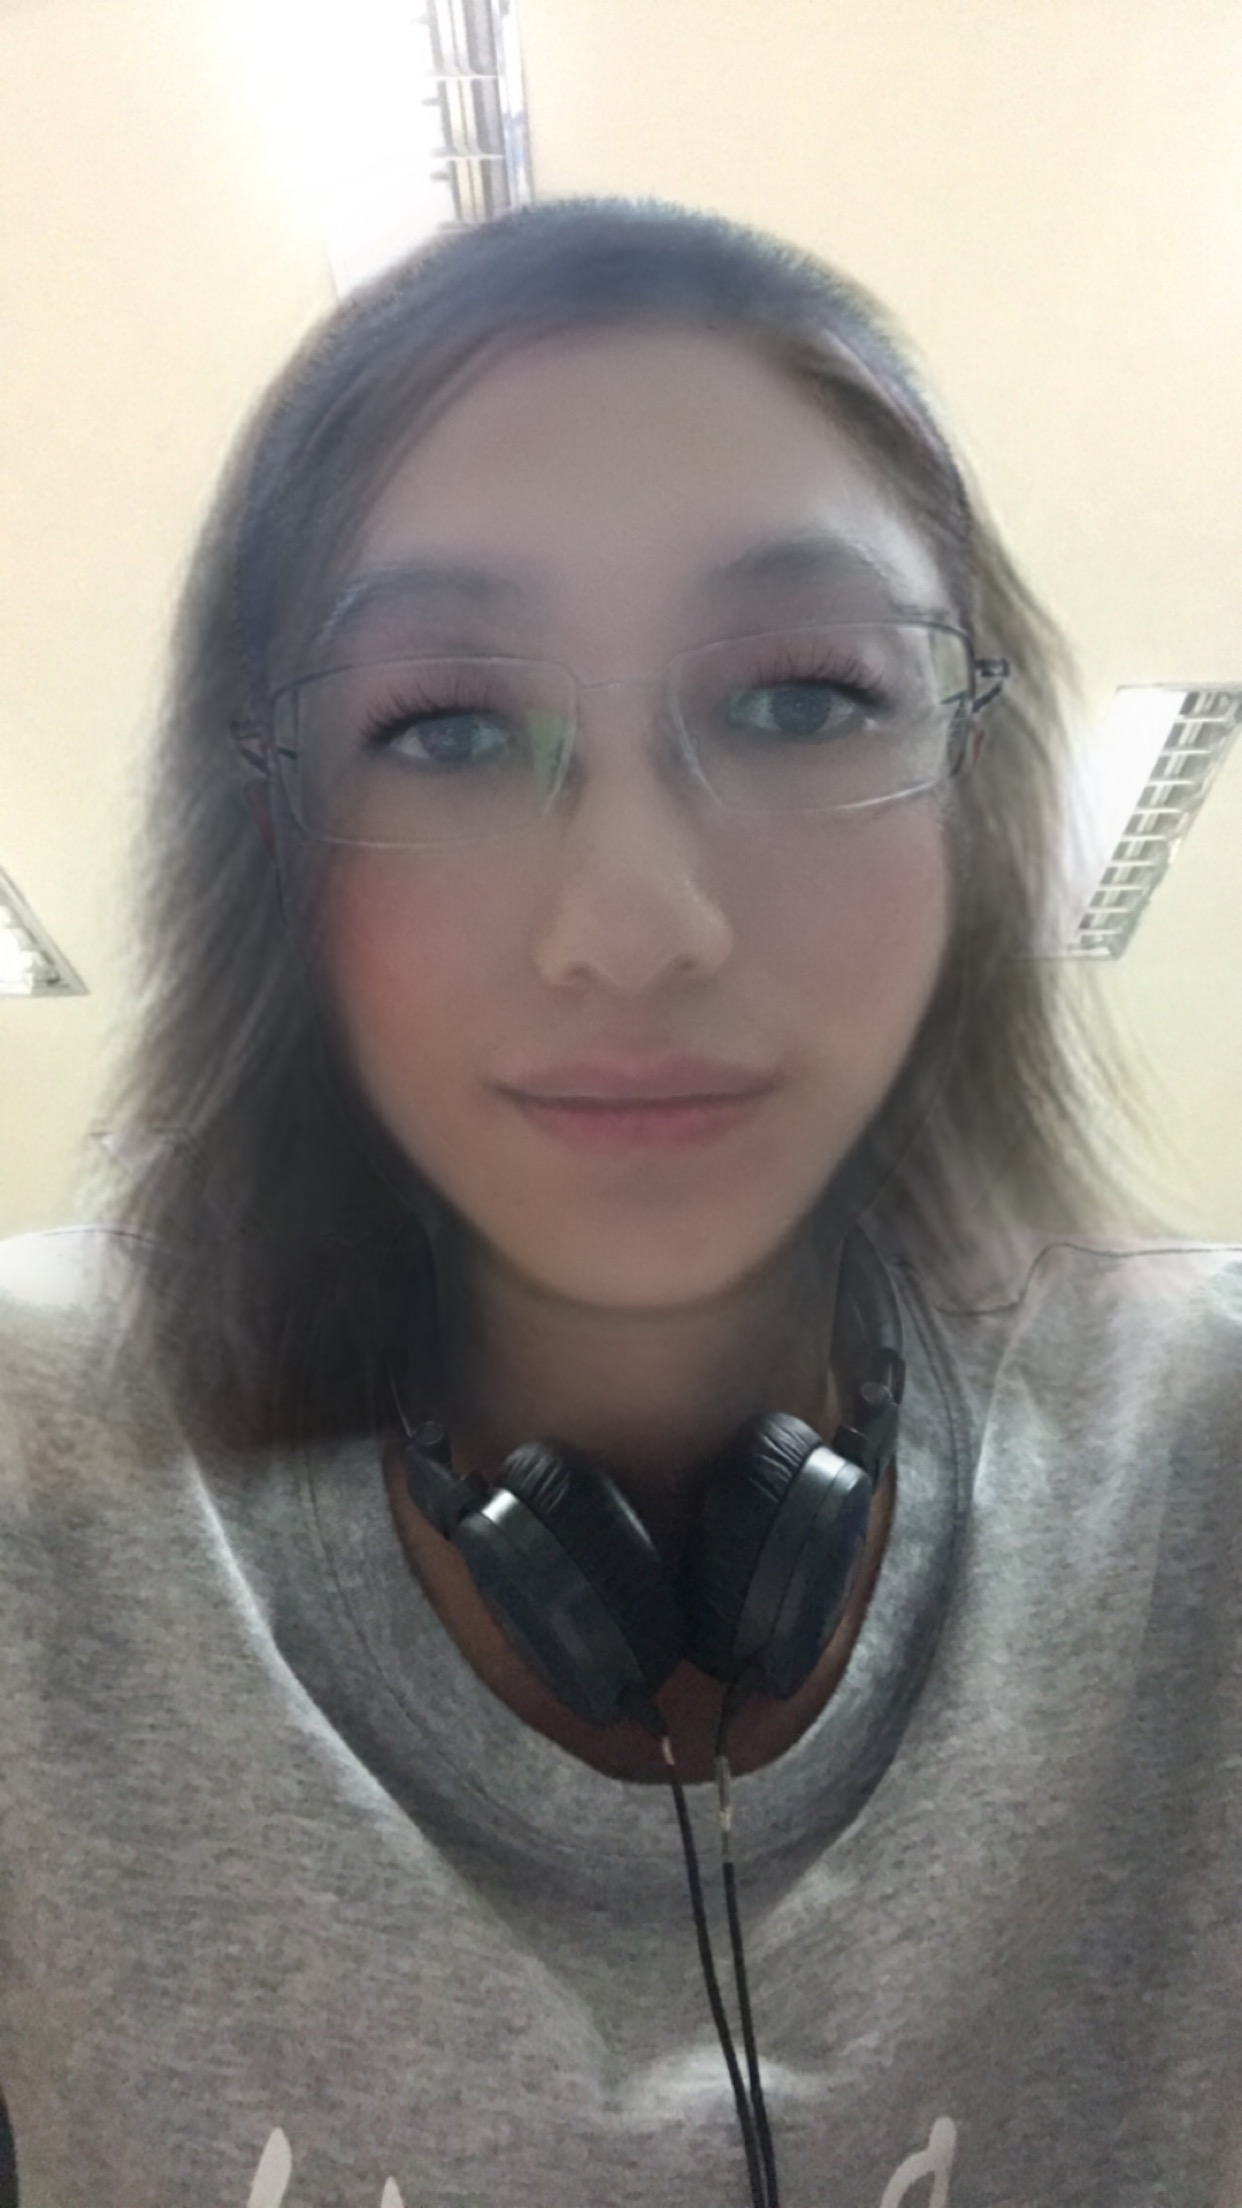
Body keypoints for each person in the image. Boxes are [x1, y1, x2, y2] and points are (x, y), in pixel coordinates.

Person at [0, 199, 1238, 2208]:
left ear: (975, 790)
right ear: (271, 841)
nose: (636, 928)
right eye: (448, 727)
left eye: (802, 698)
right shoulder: (38, 1477)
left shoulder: (1202, 1458)